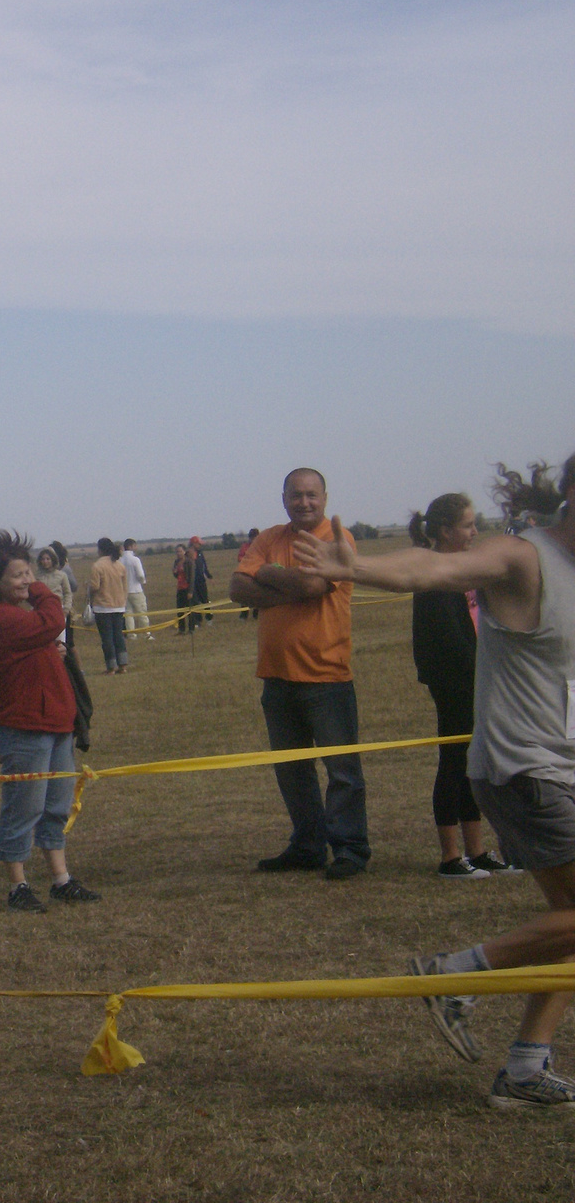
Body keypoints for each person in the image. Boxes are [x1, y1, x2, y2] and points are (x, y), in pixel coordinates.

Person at [293, 452, 575, 1110]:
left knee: (567, 923)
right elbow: (436, 568)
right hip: (524, 768)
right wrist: (356, 566)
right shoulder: (524, 558)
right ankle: (455, 974)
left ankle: (526, 1070)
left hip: (561, 763)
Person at [230, 468, 369, 880]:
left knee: (341, 771)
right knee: (292, 770)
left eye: (311, 495)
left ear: (324, 497)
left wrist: (268, 574)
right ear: (284, 497)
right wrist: (289, 580)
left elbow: (315, 588)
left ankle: (350, 849)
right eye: (296, 495)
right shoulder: (270, 537)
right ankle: (308, 845)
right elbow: (237, 589)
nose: (303, 502)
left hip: (326, 676)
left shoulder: (337, 540)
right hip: (276, 677)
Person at [0, 529, 99, 911]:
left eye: (29, 573)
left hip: (57, 724)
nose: (28, 581)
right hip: (25, 728)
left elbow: (44, 636)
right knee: (22, 807)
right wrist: (44, 592)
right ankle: (18, 886)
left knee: (56, 806)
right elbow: (52, 619)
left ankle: (60, 878)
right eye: (18, 576)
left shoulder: (17, 618)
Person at [408, 494, 515, 879]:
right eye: (468, 525)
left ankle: (478, 850)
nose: (474, 532)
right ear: (445, 531)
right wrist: (481, 673)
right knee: (455, 761)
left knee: (474, 765)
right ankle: (451, 857)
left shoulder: (464, 569)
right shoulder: (435, 574)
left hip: (477, 678)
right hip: (456, 683)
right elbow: (448, 642)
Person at [87, 537, 129, 675]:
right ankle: (123, 665)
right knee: (118, 636)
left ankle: (111, 667)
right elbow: (125, 586)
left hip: (103, 606)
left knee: (107, 638)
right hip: (119, 605)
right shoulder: (119, 565)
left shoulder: (97, 566)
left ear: (100, 549)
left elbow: (94, 587)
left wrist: (87, 590)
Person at [122, 540, 150, 639]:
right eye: (135, 546)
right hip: (136, 590)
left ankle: (131, 634)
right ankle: (146, 633)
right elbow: (140, 575)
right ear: (130, 546)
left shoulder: (120, 560)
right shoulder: (135, 559)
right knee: (142, 613)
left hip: (124, 591)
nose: (136, 548)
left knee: (128, 614)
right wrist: (143, 581)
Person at [187, 537, 213, 626]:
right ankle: (198, 621)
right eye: (199, 543)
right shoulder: (188, 554)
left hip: (201, 581)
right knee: (195, 602)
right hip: (192, 582)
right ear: (194, 543)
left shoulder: (200, 553)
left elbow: (204, 565)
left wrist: (208, 575)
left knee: (205, 600)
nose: (200, 545)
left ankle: (209, 618)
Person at [236, 529, 261, 620]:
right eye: (253, 538)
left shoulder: (261, 547)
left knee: (258, 595)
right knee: (245, 595)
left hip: (257, 574)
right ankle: (243, 615)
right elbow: (239, 558)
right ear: (250, 538)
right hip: (246, 574)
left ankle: (256, 615)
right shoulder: (245, 547)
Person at [172, 544, 193, 633]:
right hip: (180, 587)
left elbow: (192, 577)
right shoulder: (176, 562)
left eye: (180, 551)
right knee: (180, 610)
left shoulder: (189, 562)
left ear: (184, 552)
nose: (179, 553)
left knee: (189, 610)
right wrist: (174, 573)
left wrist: (190, 591)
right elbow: (176, 575)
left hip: (187, 588)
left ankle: (191, 629)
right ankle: (181, 629)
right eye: (177, 551)